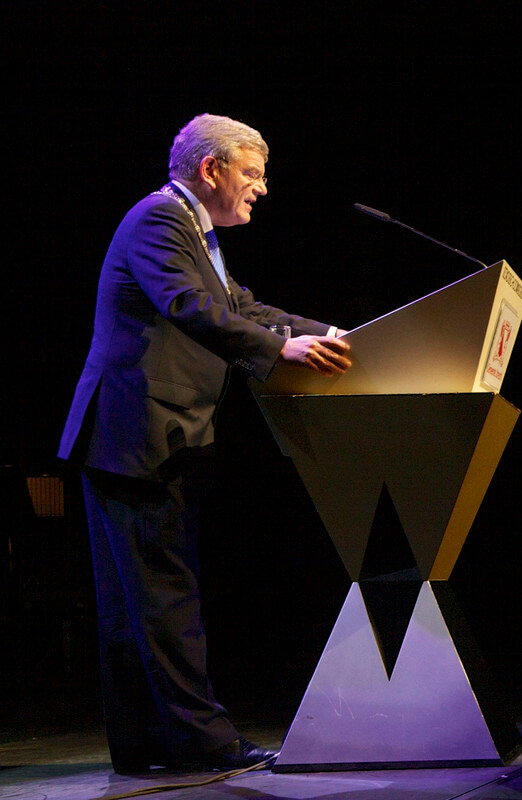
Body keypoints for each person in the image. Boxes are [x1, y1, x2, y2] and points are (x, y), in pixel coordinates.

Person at [57, 114, 352, 773]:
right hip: (135, 436)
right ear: (211, 169)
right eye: (252, 174)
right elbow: (189, 307)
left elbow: (240, 308)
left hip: (147, 438)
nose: (262, 188)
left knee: (140, 605)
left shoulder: (193, 229)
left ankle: (146, 746)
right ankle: (204, 744)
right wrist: (283, 350)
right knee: (161, 600)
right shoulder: (159, 220)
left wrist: (336, 334)